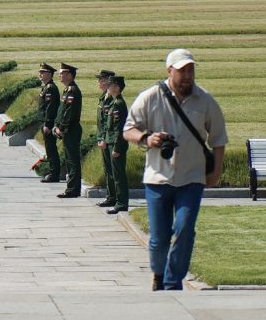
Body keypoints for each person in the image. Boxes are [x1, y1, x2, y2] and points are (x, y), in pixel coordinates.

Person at [125, 48, 227, 292]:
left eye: (191, 70)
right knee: (159, 238)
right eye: (182, 70)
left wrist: (215, 172)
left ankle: (173, 282)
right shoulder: (150, 97)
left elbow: (219, 139)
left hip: (191, 177)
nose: (188, 75)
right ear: (169, 71)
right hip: (158, 177)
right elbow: (128, 129)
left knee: (184, 229)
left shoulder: (205, 100)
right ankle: (159, 274)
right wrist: (147, 139)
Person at [96, 71, 130, 215]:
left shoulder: (119, 104)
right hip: (110, 142)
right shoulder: (115, 102)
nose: (107, 87)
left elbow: (119, 129)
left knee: (118, 175)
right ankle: (114, 199)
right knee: (111, 173)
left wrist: (116, 147)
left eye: (110, 85)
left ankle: (121, 203)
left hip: (116, 144)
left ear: (117, 87)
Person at [53, 63, 84, 200]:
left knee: (72, 160)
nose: (60, 75)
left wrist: (62, 127)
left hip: (71, 129)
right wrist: (56, 125)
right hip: (66, 129)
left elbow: (69, 113)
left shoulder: (72, 91)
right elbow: (61, 111)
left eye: (63, 73)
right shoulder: (67, 90)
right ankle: (71, 188)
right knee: (69, 159)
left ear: (70, 75)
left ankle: (72, 189)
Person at [32, 65, 62, 184]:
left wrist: (47, 124)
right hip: (45, 122)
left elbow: (50, 108)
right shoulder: (46, 87)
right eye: (40, 72)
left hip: (48, 123)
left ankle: (54, 174)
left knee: (51, 149)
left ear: (49, 74)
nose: (40, 74)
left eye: (43, 72)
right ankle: (52, 172)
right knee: (49, 149)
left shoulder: (50, 88)